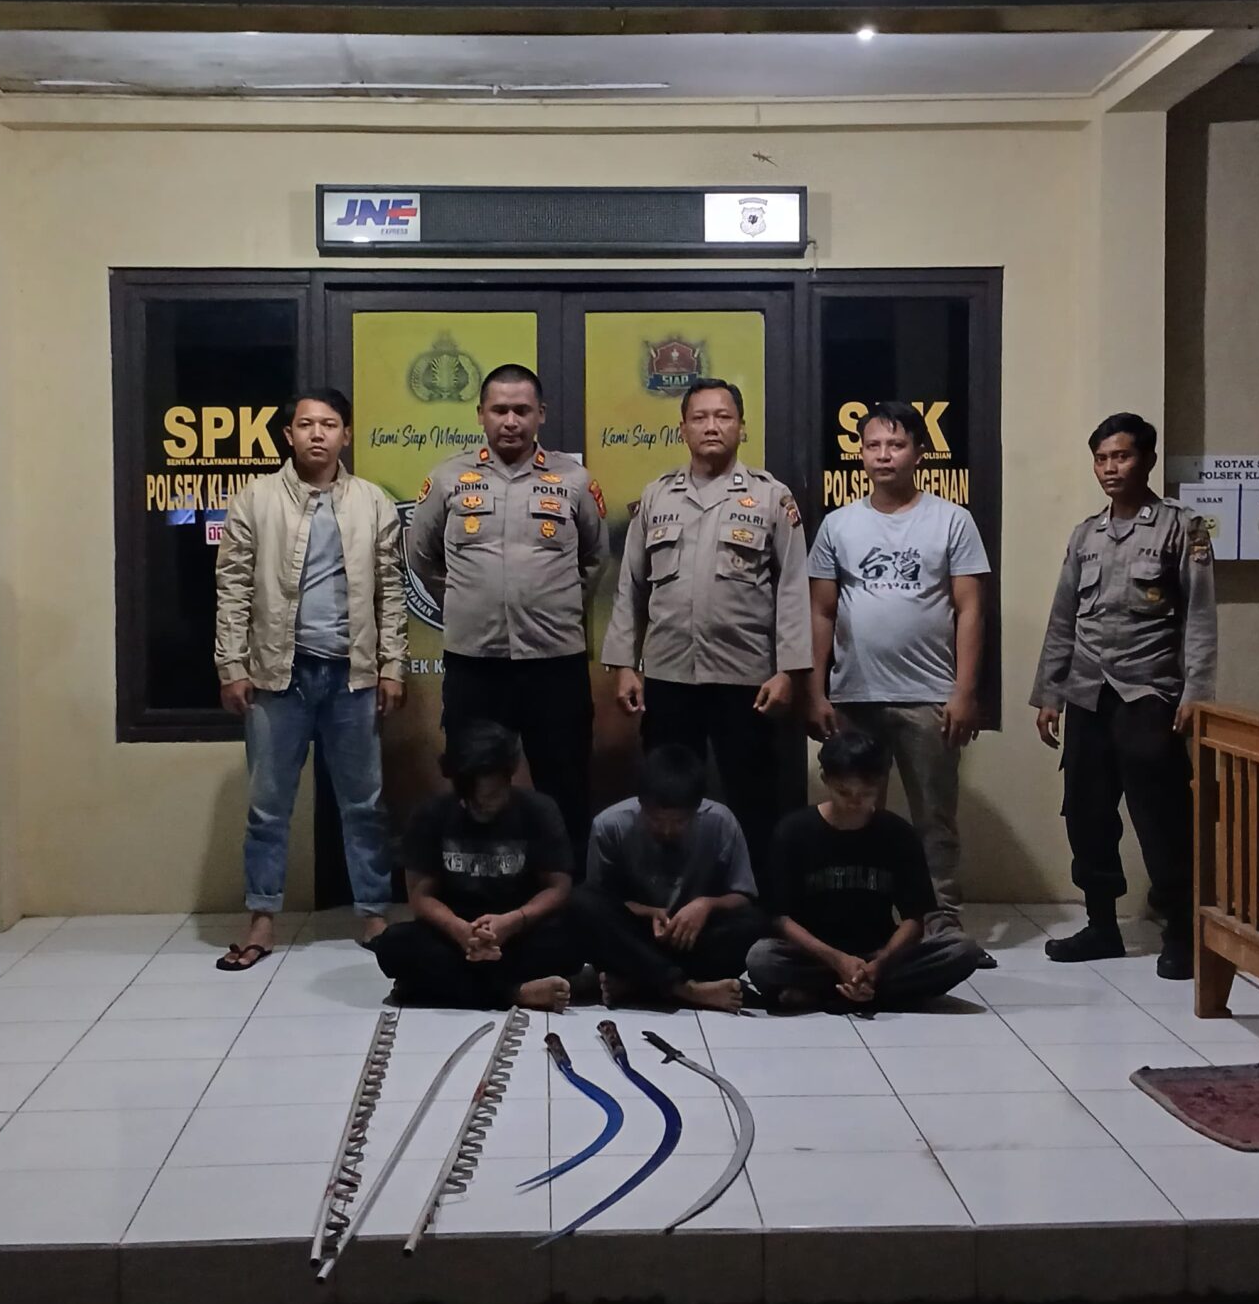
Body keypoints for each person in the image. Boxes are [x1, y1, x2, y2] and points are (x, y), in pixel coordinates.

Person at [212, 387, 408, 969]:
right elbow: (232, 588)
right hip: (278, 676)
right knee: (268, 807)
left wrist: (392, 666)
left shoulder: (372, 502)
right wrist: (231, 664)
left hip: (353, 675)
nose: (317, 434)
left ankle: (373, 913)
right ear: (288, 435)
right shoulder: (255, 500)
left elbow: (391, 591)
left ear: (346, 435)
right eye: (305, 424)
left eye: (329, 424)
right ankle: (262, 917)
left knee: (364, 804)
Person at [1032, 411, 1218, 979]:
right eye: (1102, 459)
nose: (1111, 468)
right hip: (1088, 693)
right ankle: (1101, 926)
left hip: (1149, 693)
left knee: (1162, 817)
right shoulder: (1085, 535)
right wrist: (1050, 693)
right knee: (1086, 812)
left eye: (1122, 456)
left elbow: (1200, 617)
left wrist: (1197, 692)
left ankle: (1181, 933)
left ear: (1148, 460)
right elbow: (1063, 617)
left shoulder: (1183, 528)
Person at [601, 377, 811, 880]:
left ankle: (755, 899)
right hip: (670, 676)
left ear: (742, 427)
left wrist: (788, 671)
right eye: (700, 417)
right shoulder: (657, 496)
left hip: (747, 678)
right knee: (668, 795)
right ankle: (670, 891)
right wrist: (624, 664)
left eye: (723, 417)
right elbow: (631, 586)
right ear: (683, 429)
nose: (712, 426)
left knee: (753, 796)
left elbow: (792, 587)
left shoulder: (770, 497)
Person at [406, 364, 608, 859]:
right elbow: (421, 555)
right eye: (499, 410)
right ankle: (474, 881)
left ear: (541, 414)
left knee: (565, 781)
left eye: (522, 410)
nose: (511, 421)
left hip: (554, 662)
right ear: (481, 414)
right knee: (472, 780)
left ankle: (566, 887)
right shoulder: (448, 478)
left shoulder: (574, 480)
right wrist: (466, 601)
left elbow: (594, 558)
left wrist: (553, 604)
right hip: (475, 662)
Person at [807, 399, 991, 934]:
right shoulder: (838, 525)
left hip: (929, 696)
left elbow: (971, 610)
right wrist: (815, 692)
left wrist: (964, 692)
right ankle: (862, 919)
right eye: (873, 445)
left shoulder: (951, 520)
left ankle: (940, 921)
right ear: (860, 454)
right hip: (854, 695)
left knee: (933, 818)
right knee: (856, 812)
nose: (884, 455)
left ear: (919, 453)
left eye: (896, 444)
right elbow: (820, 612)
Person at [746, 729, 987, 1013]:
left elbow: (914, 919)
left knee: (961, 950)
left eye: (866, 793)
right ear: (825, 779)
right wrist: (837, 959)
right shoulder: (794, 831)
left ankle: (833, 993)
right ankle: (873, 993)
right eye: (844, 792)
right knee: (762, 958)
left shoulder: (897, 834)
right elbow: (780, 919)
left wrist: (879, 963)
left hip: (878, 953)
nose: (855, 802)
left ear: (881, 783)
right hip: (817, 954)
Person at [374, 721, 586, 1012]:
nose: (482, 807)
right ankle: (516, 992)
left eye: (492, 797)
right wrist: (461, 931)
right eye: (471, 800)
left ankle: (441, 988)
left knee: (576, 933)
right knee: (393, 945)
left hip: (518, 929)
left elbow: (558, 887)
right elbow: (421, 896)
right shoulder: (431, 814)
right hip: (456, 933)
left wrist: (513, 921)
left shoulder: (538, 810)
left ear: (509, 778)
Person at [573, 745, 765, 1014]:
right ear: (641, 804)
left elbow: (743, 895)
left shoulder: (720, 821)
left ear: (697, 809)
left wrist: (705, 905)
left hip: (693, 936)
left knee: (753, 922)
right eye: (655, 820)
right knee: (580, 902)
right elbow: (603, 900)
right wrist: (648, 912)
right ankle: (686, 989)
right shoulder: (610, 825)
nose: (666, 830)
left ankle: (636, 983)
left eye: (678, 822)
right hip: (638, 935)